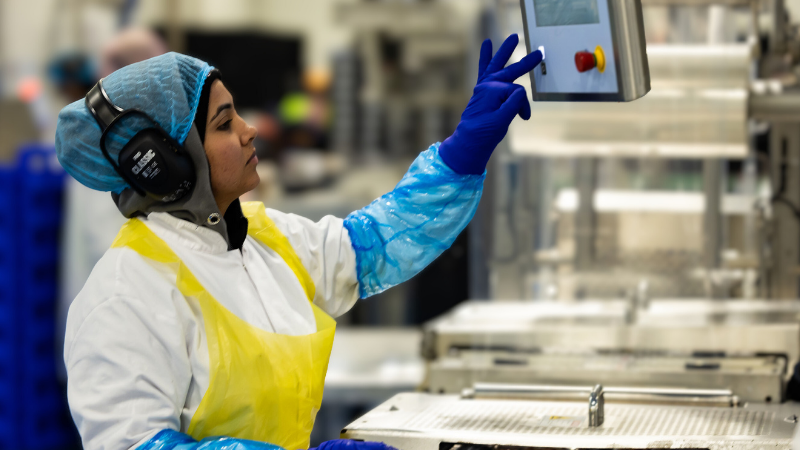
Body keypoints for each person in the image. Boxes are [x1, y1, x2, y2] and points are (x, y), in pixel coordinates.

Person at [55, 34, 542, 450]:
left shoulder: (263, 240)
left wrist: (462, 153)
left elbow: (376, 244)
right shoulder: (126, 297)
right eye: (224, 124)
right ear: (169, 162)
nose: (249, 132)